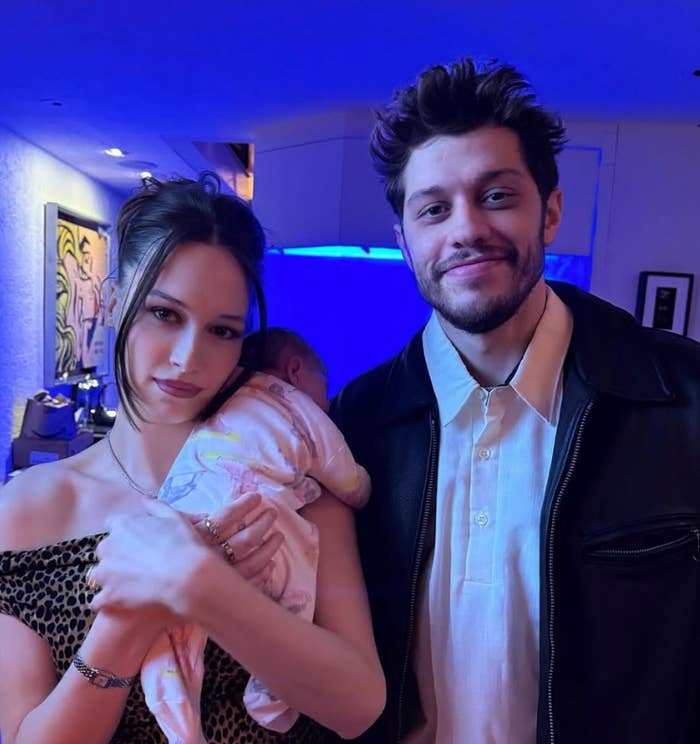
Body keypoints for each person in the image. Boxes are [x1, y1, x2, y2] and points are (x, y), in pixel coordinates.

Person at [330, 58, 700, 744]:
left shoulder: (683, 398)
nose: (465, 229)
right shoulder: (354, 425)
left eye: (496, 195)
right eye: (433, 209)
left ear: (550, 212)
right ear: (404, 241)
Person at [0, 174, 385, 744]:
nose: (188, 358)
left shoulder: (287, 477)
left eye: (222, 331)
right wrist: (133, 618)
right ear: (113, 302)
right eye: (165, 314)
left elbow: (358, 706)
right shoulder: (27, 509)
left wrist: (201, 586)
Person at [147, 325, 369, 739]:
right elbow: (341, 470)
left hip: (186, 513)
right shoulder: (295, 404)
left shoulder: (219, 412)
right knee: (294, 582)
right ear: (295, 370)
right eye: (324, 387)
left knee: (172, 641)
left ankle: (173, 708)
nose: (326, 402)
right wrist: (365, 488)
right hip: (252, 519)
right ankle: (271, 691)